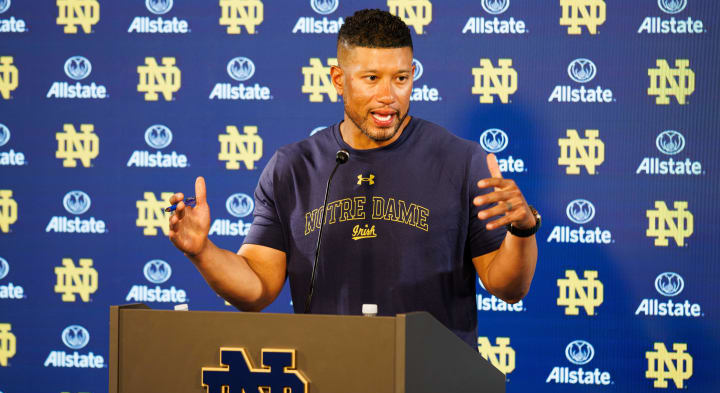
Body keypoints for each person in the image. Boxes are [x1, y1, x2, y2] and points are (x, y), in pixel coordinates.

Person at [167, 9, 538, 347]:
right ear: (338, 79)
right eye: (371, 78)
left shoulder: (461, 161)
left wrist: (522, 231)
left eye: (401, 78)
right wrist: (203, 252)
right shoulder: (292, 168)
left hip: (432, 381)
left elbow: (506, 286)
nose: (388, 96)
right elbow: (257, 288)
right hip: (328, 377)